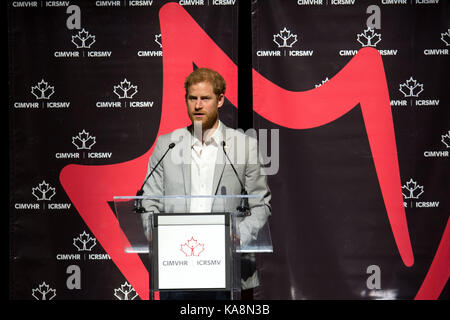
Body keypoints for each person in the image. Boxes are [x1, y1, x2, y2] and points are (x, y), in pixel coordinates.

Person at [141, 68, 271, 300]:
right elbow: (148, 200)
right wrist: (153, 232)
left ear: (220, 100)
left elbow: (260, 205)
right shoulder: (166, 145)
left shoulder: (244, 146)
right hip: (176, 266)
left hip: (226, 267)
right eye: (193, 98)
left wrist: (238, 234)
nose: (198, 105)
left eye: (205, 98)